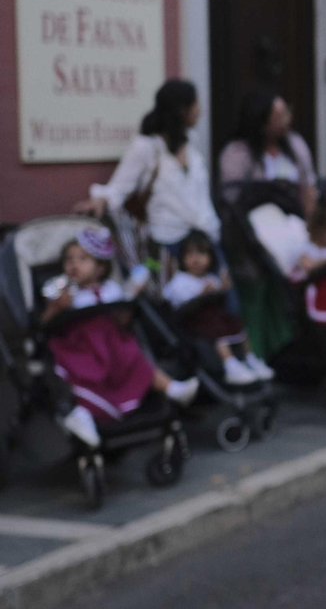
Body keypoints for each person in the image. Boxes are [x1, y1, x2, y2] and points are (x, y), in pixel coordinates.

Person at [43, 227, 199, 449]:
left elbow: (122, 322)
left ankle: (173, 389)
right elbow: (45, 324)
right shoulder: (64, 292)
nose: (74, 264)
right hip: (83, 349)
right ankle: (81, 416)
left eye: (83, 259)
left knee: (139, 359)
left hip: (114, 347)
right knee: (81, 380)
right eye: (69, 259)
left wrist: (128, 305)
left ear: (101, 267)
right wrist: (57, 308)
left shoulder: (111, 289)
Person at [78, 80, 223, 253]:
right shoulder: (147, 146)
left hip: (205, 238)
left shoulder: (192, 140)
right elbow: (118, 187)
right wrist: (100, 200)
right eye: (195, 104)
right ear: (182, 110)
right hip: (169, 242)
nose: (199, 111)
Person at [162, 229, 274, 384]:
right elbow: (175, 301)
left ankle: (250, 358)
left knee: (238, 325)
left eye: (201, 253)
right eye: (190, 254)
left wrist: (222, 288)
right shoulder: (180, 280)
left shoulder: (211, 278)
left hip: (217, 318)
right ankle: (230, 364)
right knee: (217, 330)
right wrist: (202, 293)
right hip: (194, 323)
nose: (196, 259)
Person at [217, 87, 318, 216]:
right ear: (262, 122)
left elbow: (308, 187)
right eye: (280, 116)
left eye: (287, 112)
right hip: (254, 224)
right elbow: (231, 196)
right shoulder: (237, 152)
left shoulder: (295, 144)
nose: (287, 119)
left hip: (294, 223)